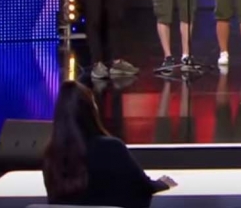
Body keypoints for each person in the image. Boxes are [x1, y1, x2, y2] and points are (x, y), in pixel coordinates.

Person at [43, 80, 176, 208]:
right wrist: (162, 183)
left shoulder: (52, 155)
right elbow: (143, 187)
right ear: (91, 111)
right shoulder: (111, 148)